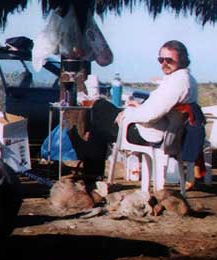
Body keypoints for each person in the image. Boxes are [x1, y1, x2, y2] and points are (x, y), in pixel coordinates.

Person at [70, 40, 205, 187]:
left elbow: (150, 115)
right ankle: (92, 176)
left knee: (98, 108)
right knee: (98, 127)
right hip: (162, 131)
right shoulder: (185, 79)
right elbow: (160, 107)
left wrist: (128, 113)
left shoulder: (177, 82)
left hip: (149, 134)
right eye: (161, 59)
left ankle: (92, 177)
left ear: (183, 60)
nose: (164, 63)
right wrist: (139, 107)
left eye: (169, 60)